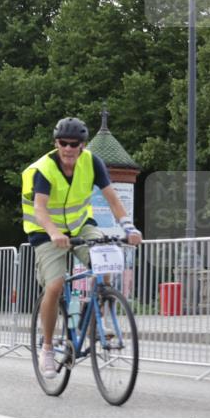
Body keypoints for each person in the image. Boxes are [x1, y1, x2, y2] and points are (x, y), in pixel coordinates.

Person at [21, 116, 142, 380]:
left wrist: (128, 227)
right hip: (45, 231)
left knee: (106, 260)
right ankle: (48, 348)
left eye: (74, 144)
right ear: (56, 143)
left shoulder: (92, 162)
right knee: (54, 285)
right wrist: (54, 233)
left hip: (79, 226)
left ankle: (99, 318)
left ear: (82, 146)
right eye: (63, 143)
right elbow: (40, 209)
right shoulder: (45, 169)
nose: (68, 149)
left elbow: (112, 199)